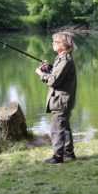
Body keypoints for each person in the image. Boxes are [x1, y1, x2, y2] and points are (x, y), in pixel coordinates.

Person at [35, 32, 77, 164]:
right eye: (53, 41)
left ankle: (58, 156)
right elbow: (58, 74)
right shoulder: (61, 58)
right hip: (62, 100)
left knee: (56, 128)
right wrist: (49, 68)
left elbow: (54, 81)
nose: (53, 43)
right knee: (64, 126)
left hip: (61, 100)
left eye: (56, 42)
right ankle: (68, 151)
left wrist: (41, 74)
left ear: (64, 45)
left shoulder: (65, 60)